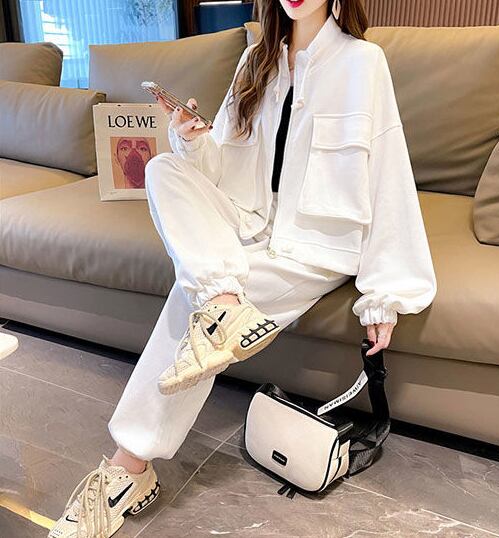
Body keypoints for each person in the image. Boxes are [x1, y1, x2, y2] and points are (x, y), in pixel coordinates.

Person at [49, 1, 437, 536]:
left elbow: (388, 175)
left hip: (312, 250)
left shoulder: (363, 63)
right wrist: (192, 141)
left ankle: (128, 467)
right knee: (163, 168)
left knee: (193, 300)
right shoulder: (256, 60)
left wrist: (385, 293)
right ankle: (224, 305)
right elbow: (223, 171)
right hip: (247, 223)